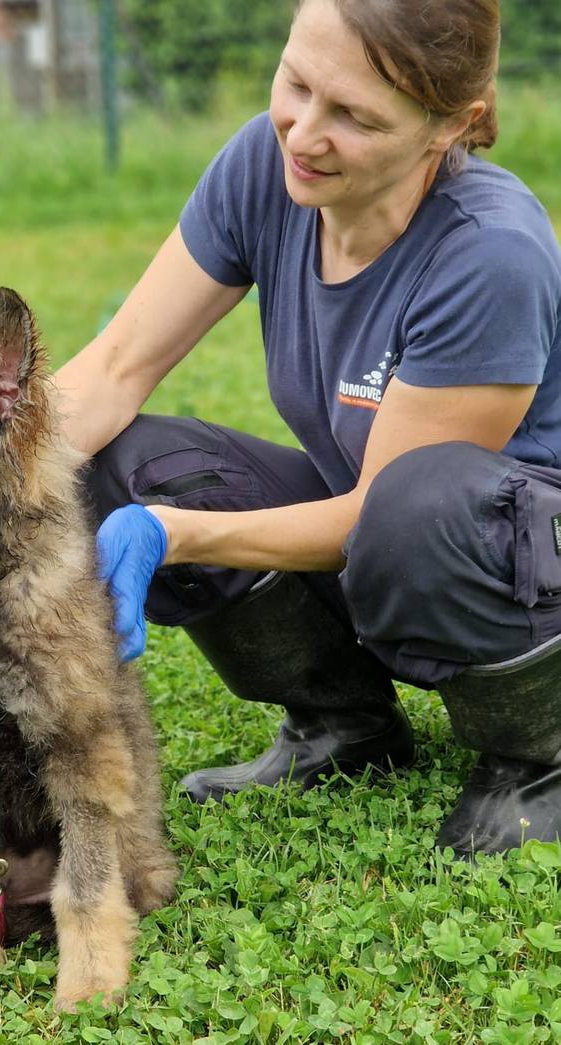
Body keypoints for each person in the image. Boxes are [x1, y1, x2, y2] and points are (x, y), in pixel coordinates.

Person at [53, 0, 561, 858]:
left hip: (516, 570)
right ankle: (344, 725)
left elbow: (374, 516)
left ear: (452, 125)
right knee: (131, 461)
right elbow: (115, 367)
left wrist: (173, 533)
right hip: (384, 535)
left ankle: (539, 754)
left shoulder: (489, 253)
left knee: (414, 504)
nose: (304, 133)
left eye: (356, 117)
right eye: (296, 83)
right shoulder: (266, 163)